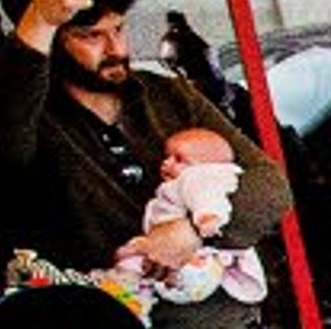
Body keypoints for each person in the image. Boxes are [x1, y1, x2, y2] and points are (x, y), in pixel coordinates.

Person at [0, 0, 292, 329]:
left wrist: (192, 233)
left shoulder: (167, 96)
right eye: (91, 36)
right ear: (54, 43)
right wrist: (39, 20)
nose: (115, 48)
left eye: (119, 29)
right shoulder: (35, 119)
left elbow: (269, 184)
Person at [105, 125, 270, 315]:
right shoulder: (185, 182)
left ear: (206, 165)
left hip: (194, 263)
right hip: (195, 270)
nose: (166, 163)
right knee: (137, 261)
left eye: (179, 159)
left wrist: (206, 218)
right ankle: (136, 304)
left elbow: (208, 196)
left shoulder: (197, 178)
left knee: (131, 265)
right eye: (167, 157)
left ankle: (129, 302)